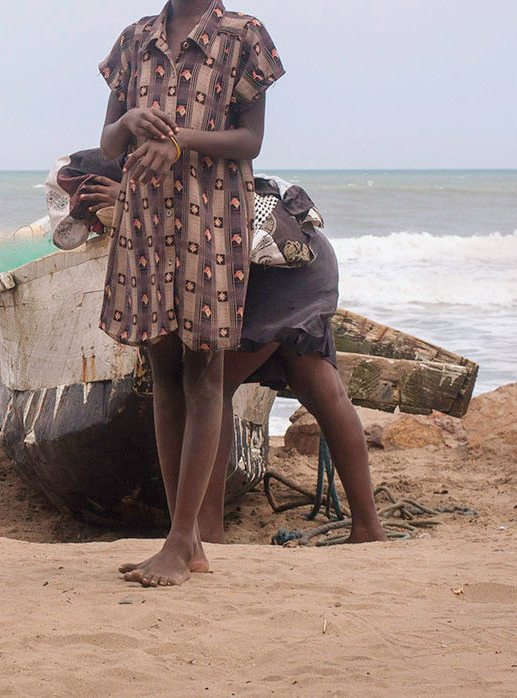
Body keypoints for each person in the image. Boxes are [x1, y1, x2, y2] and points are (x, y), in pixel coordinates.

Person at [96, 0, 282, 586]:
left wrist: (177, 143)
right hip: (145, 221)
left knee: (206, 375)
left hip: (210, 220)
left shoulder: (244, 36)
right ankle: (183, 541)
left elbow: (249, 140)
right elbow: (108, 140)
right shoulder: (134, 41)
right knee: (165, 374)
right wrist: (134, 121)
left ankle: (184, 538)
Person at [73, 172, 385, 545]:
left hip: (278, 265)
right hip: (302, 253)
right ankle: (368, 529)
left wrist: (128, 198)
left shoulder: (147, 180)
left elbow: (192, 216)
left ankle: (208, 534)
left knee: (211, 386)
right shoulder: (155, 166)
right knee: (318, 387)